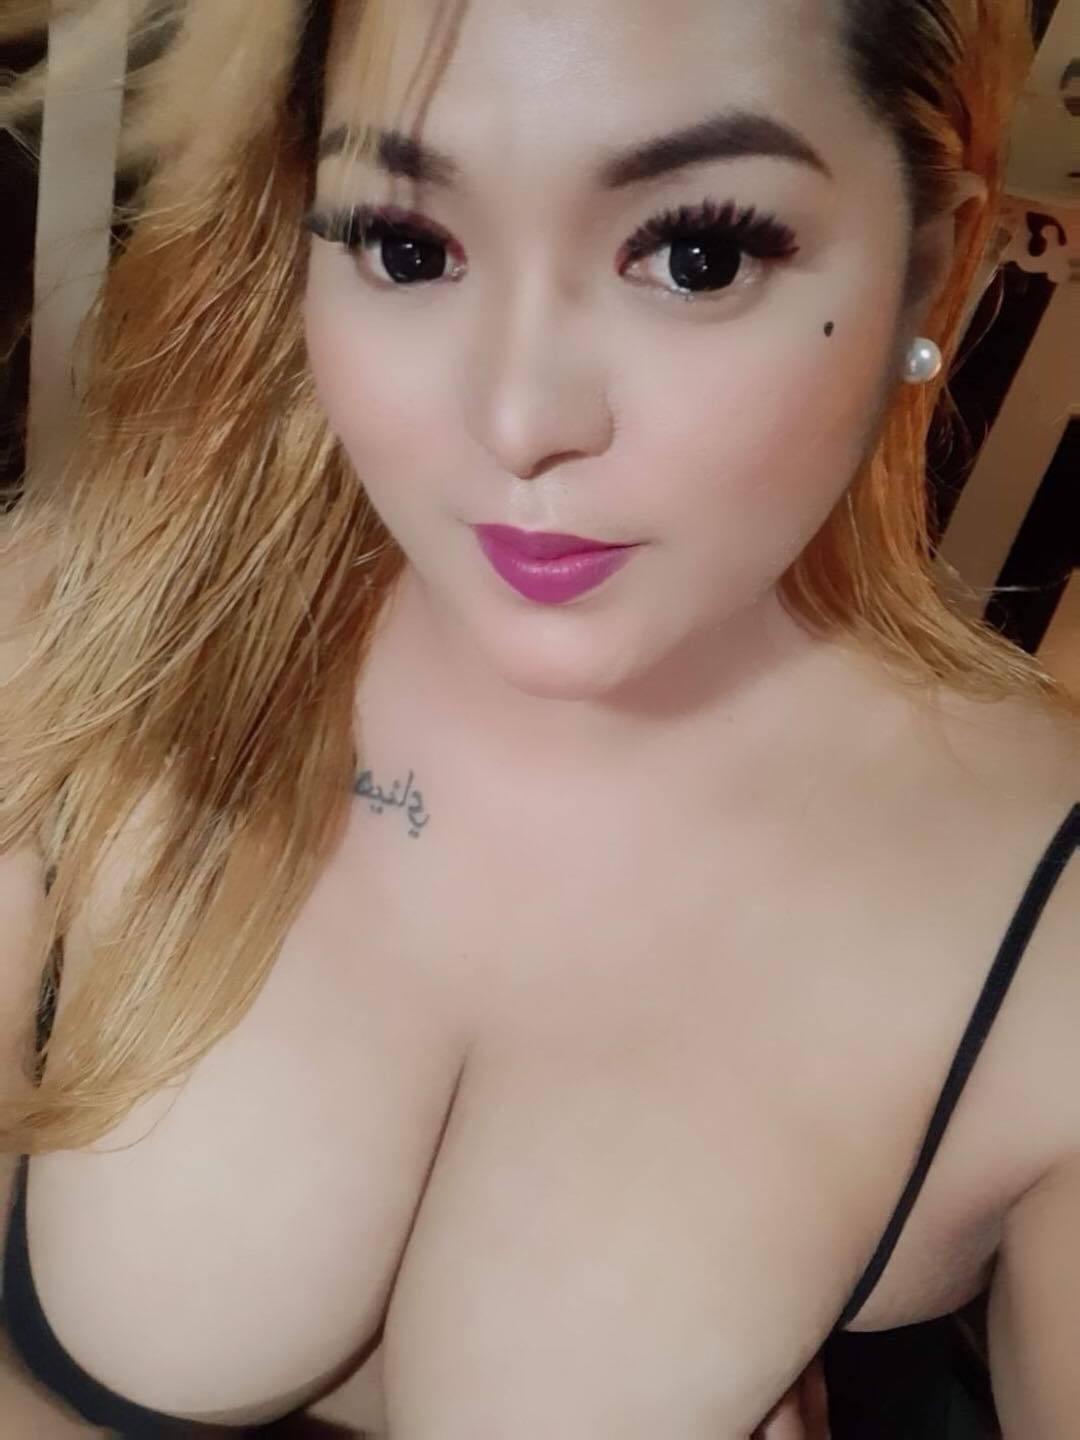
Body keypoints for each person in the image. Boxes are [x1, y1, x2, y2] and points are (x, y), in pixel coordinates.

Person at [0, 0, 1077, 1435]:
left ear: (927, 268)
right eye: (409, 246)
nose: (517, 419)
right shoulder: (81, 646)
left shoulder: (1048, 944)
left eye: (696, 256)